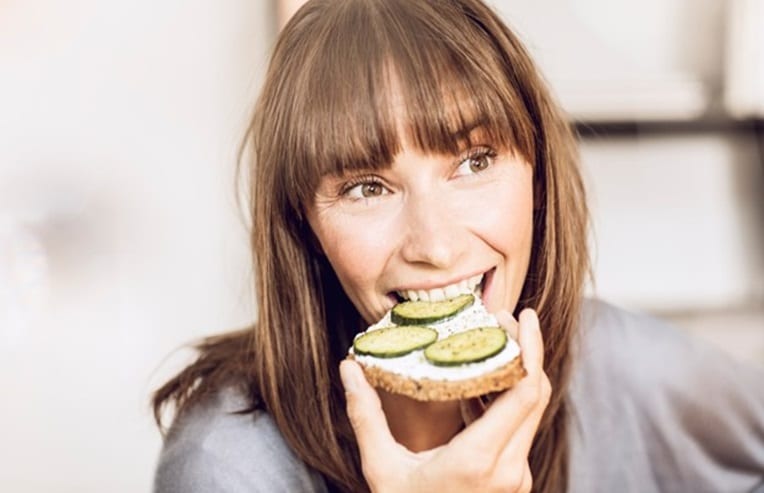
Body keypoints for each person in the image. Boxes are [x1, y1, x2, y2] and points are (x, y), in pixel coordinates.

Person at [151, 0, 764, 491]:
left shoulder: (636, 371)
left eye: (475, 161)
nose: (436, 246)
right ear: (303, 225)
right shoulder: (225, 466)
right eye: (368, 188)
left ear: (539, 178)